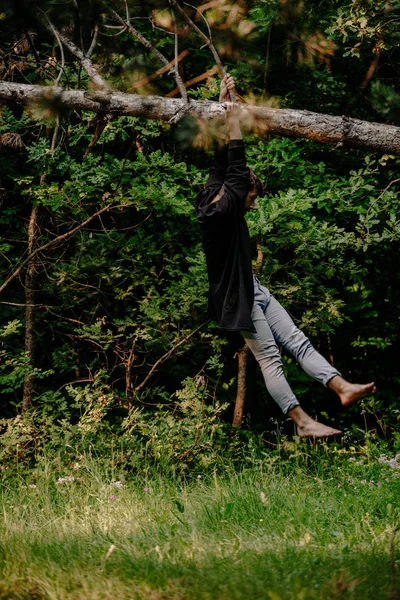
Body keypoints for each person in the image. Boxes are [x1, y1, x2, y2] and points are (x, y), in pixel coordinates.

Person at [195, 74, 376, 438]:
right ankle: (302, 423)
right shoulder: (228, 205)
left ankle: (340, 388)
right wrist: (235, 122)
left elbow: (221, 163)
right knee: (270, 358)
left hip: (252, 286)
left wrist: (223, 102)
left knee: (297, 340)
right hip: (237, 298)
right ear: (239, 192)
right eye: (252, 197)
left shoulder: (213, 194)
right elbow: (234, 164)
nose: (253, 202)